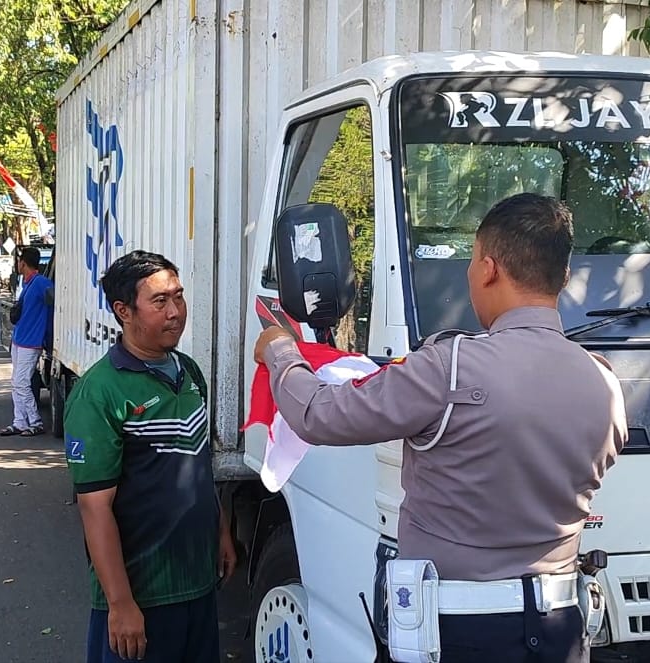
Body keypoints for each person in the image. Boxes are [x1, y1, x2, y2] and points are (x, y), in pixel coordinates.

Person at [253, 193, 628, 663]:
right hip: (561, 630)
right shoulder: (604, 381)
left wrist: (280, 351)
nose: (471, 275)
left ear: (489, 268)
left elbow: (318, 414)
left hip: (455, 634)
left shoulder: (449, 369)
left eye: (471, 262)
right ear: (564, 277)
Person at [65, 250, 235, 663]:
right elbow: (94, 508)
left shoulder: (189, 373)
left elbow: (198, 463)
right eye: (160, 302)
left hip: (196, 584)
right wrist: (121, 604)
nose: (176, 311)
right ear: (124, 311)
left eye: (179, 297)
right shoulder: (99, 393)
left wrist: (222, 531)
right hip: (143, 595)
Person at [0, 246, 51, 437]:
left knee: (21, 383)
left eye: (19, 261)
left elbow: (53, 306)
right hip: (20, 340)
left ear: (23, 263)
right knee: (16, 382)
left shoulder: (41, 284)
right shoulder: (28, 283)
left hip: (31, 342)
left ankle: (35, 421)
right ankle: (19, 422)